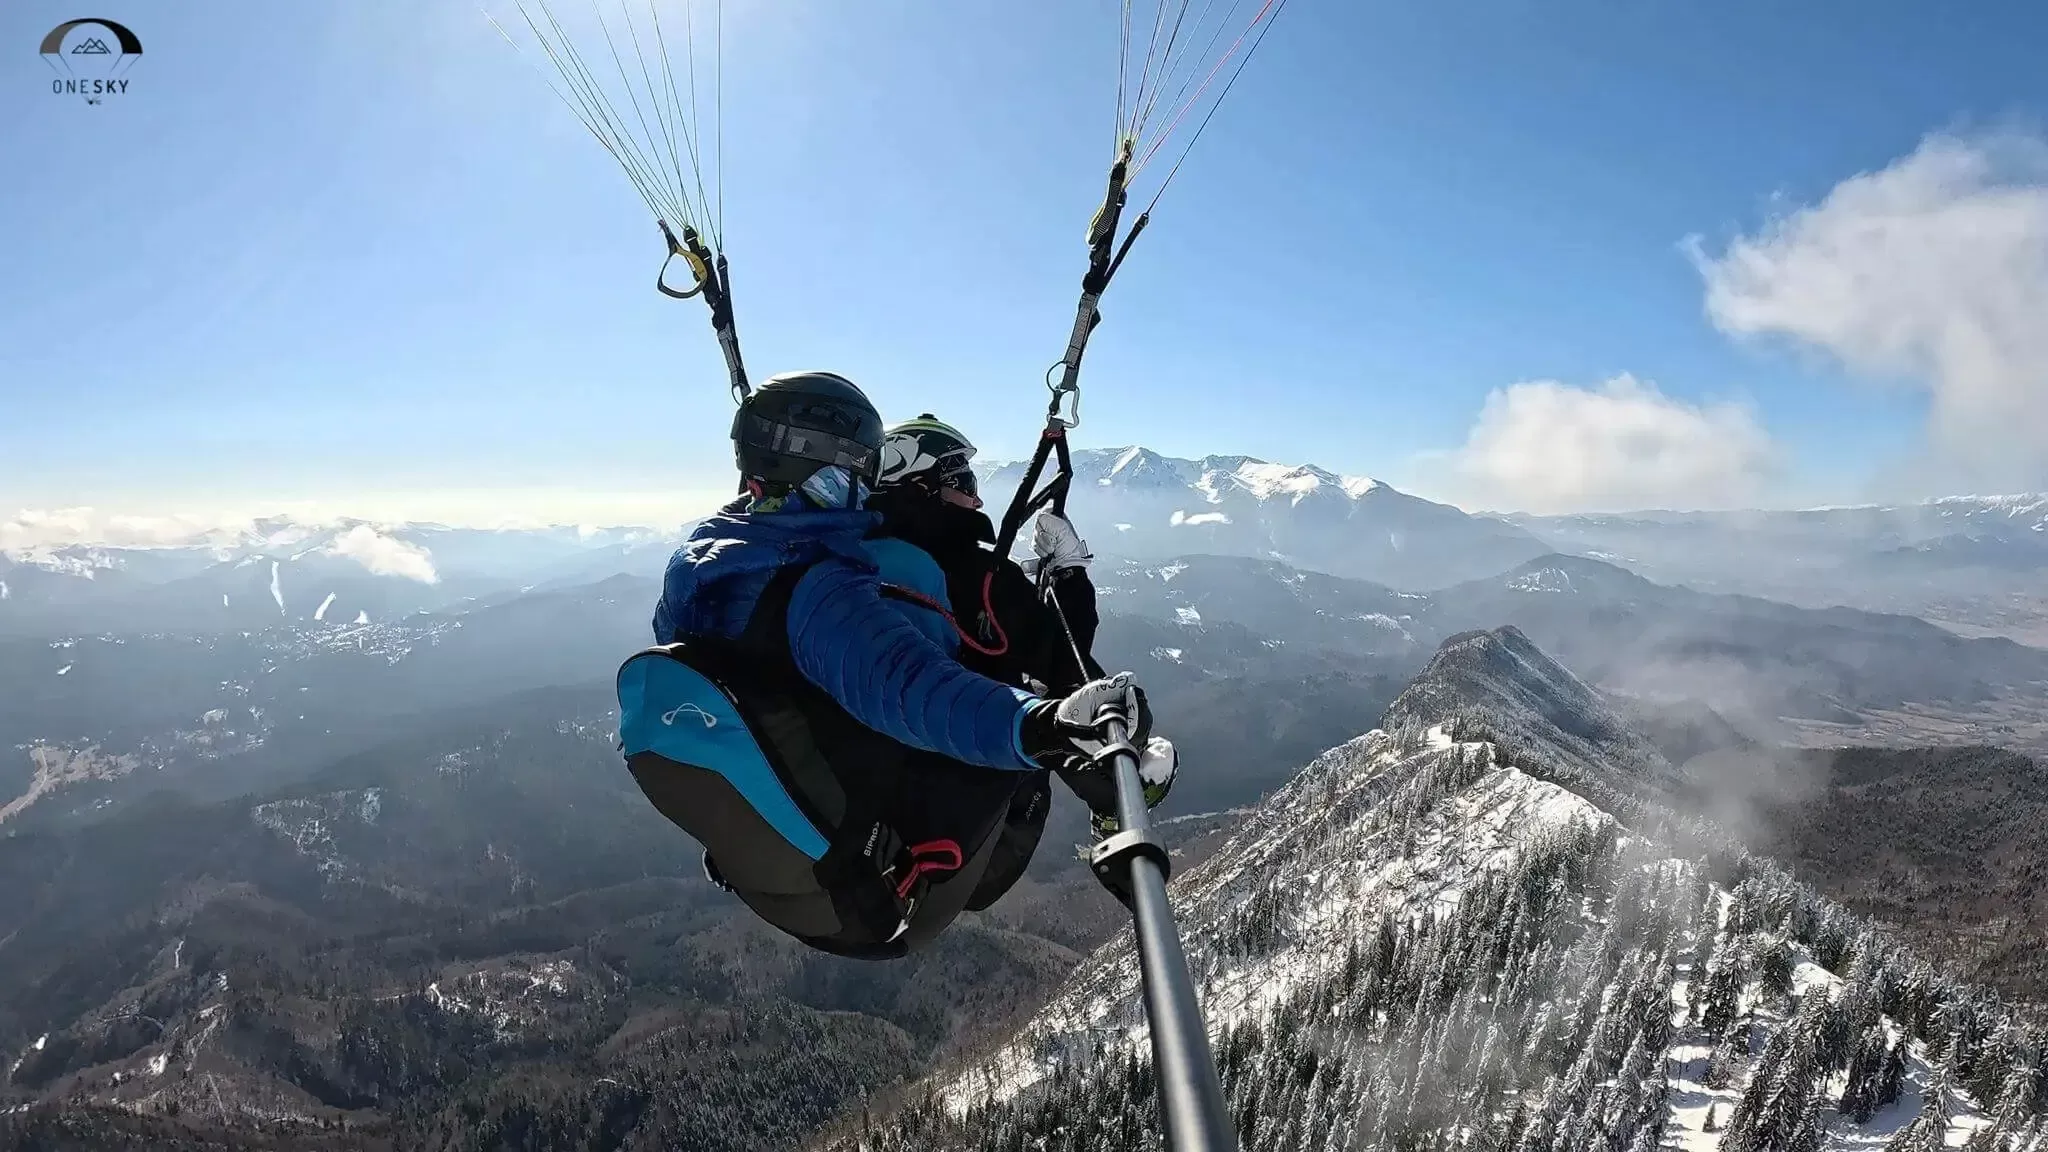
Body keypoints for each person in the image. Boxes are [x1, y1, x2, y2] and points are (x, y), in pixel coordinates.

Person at [624, 370, 1164, 960]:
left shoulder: (697, 572)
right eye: (857, 471)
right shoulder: (823, 592)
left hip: (784, 852)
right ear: (819, 467)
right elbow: (918, 688)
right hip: (880, 887)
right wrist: (1042, 726)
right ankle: (1111, 800)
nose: (865, 488)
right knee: (1014, 704)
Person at [867, 415, 1177, 848]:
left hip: (879, 796)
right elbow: (1062, 654)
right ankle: (1115, 793)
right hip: (981, 815)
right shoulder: (977, 574)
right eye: (964, 482)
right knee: (1090, 700)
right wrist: (1070, 575)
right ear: (920, 488)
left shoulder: (855, 564)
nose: (976, 501)